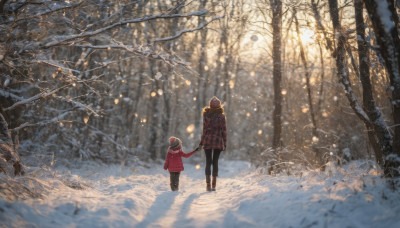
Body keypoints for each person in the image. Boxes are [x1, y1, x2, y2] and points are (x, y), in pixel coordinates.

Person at [198, 96, 227, 191]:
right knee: (215, 162)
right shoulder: (221, 116)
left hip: (207, 140)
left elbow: (204, 130)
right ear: (219, 105)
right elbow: (224, 130)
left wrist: (201, 143)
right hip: (218, 141)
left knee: (208, 161)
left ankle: (208, 185)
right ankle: (214, 184)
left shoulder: (206, 115)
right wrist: (225, 143)